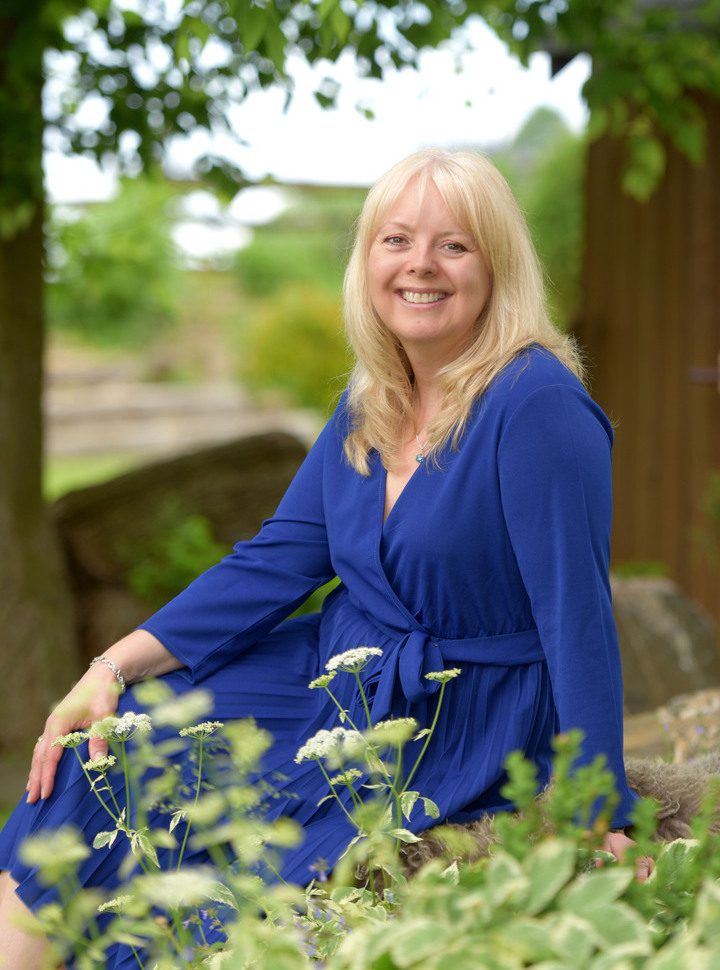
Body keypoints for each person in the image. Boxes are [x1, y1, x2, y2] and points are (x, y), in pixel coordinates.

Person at [0, 148, 651, 967]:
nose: (420, 264)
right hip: (329, 672)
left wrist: (602, 814)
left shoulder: (537, 405)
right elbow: (280, 558)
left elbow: (575, 615)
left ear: (498, 267)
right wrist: (111, 666)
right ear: (367, 261)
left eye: (454, 245)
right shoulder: (371, 395)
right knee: (103, 756)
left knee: (241, 884)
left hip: (457, 715)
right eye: (397, 240)